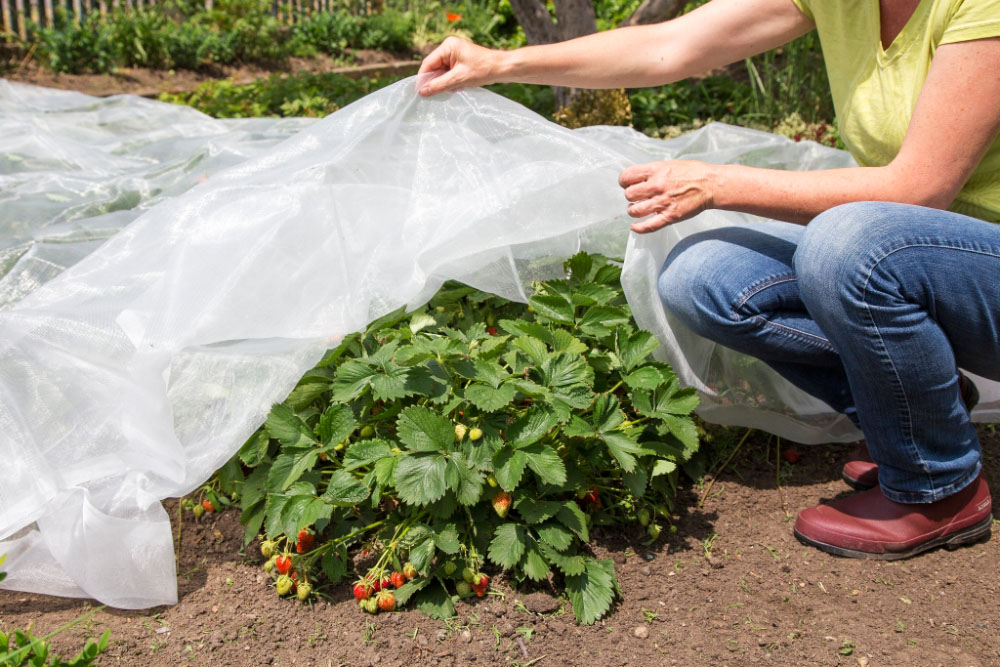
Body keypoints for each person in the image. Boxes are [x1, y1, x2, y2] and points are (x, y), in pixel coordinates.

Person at [417, 0, 1000, 560]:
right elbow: (670, 46)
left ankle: (938, 484)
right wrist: (500, 62)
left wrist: (717, 183)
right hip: (919, 262)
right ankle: (920, 408)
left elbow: (919, 189)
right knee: (703, 277)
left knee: (846, 244)